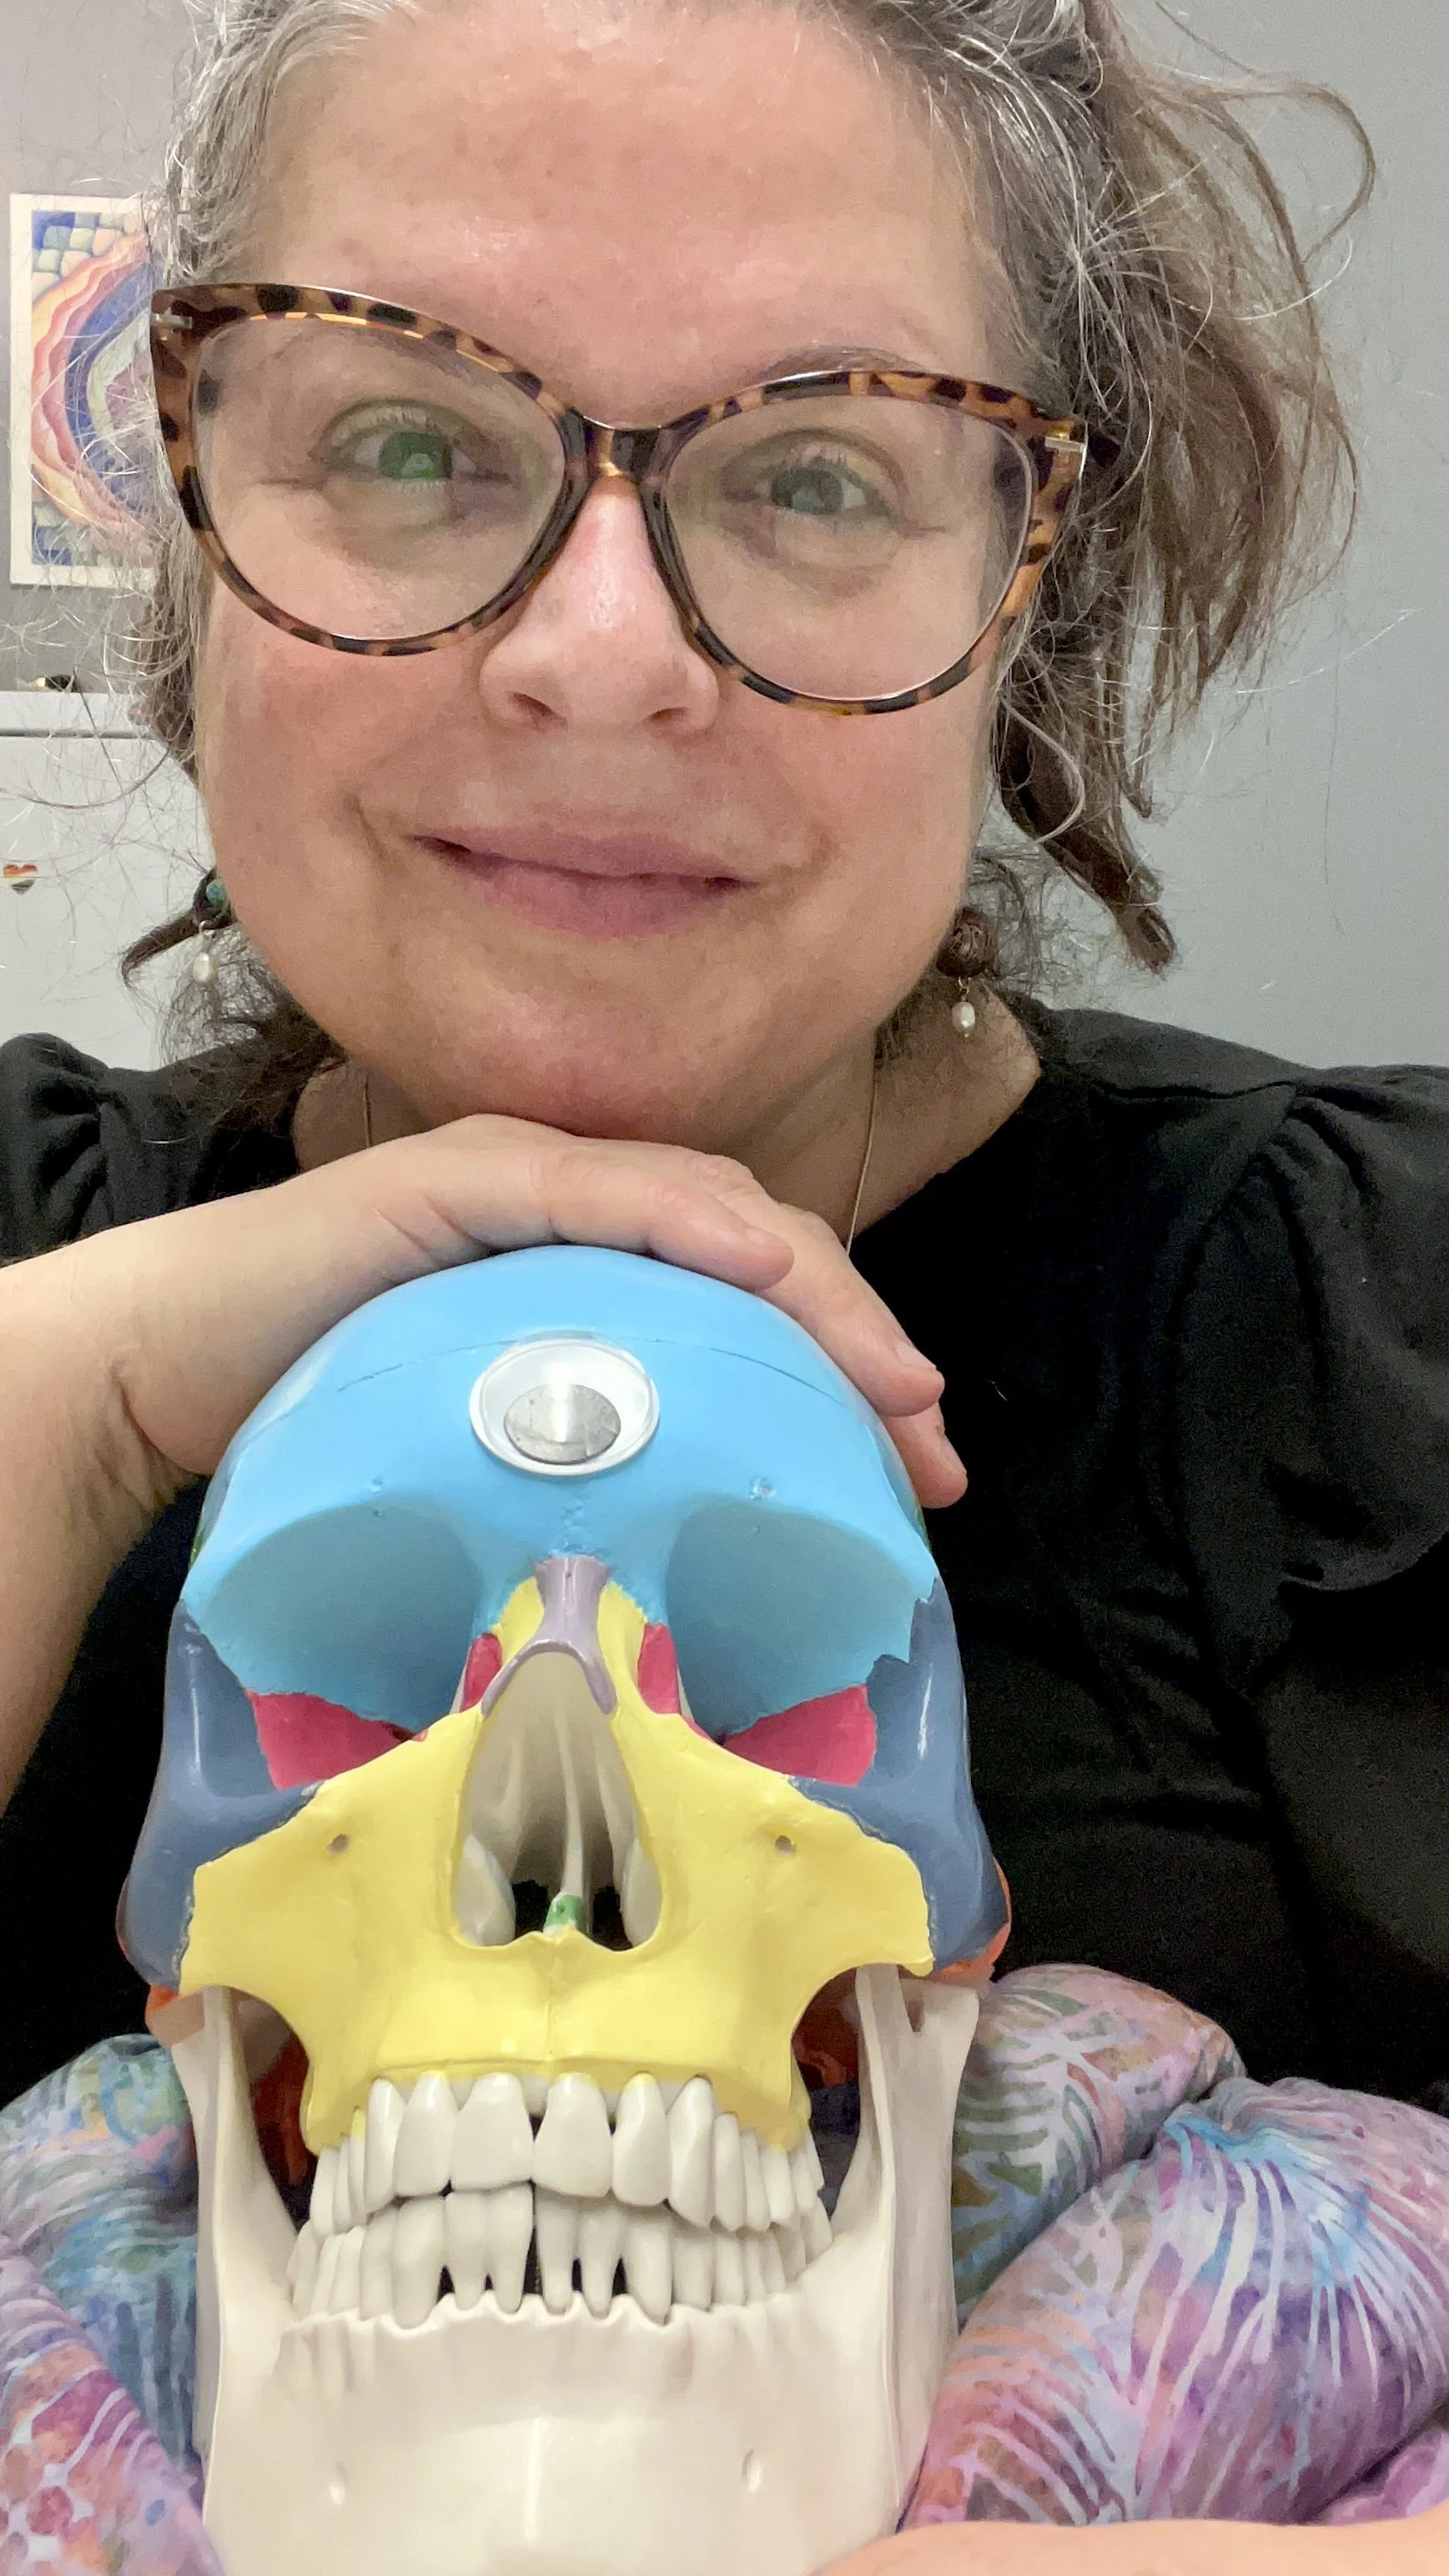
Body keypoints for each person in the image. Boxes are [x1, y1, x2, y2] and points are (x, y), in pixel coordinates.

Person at [0, 0, 1446, 2559]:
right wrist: (80, 1395)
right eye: (408, 440)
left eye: (812, 474)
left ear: (1030, 596)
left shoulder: (1389, 1307)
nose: (600, 649)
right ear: (192, 517)